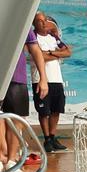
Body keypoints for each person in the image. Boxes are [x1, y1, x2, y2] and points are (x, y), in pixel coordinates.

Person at [0, 22, 48, 172]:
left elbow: (35, 49)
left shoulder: (23, 20)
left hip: (17, 78)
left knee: (16, 122)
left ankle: (12, 161)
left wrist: (43, 78)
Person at [34, 15, 71, 153]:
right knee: (44, 112)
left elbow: (68, 52)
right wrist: (57, 54)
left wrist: (49, 53)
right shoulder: (33, 37)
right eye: (40, 21)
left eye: (45, 21)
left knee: (56, 110)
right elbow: (39, 56)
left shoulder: (53, 37)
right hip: (40, 79)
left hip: (57, 79)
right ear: (34, 23)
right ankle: (47, 139)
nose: (44, 23)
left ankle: (53, 137)